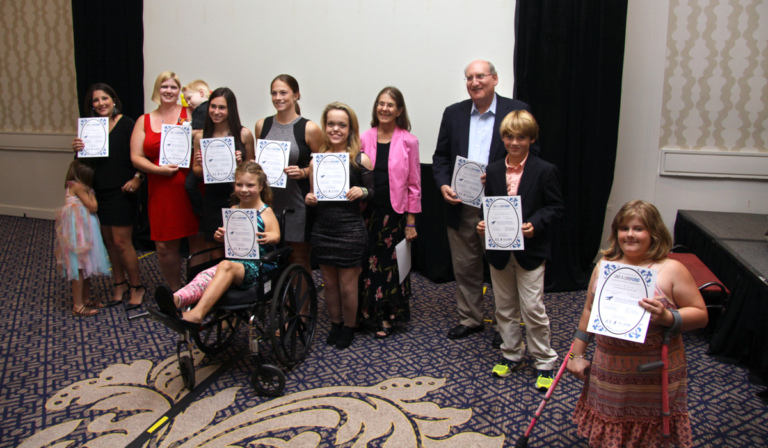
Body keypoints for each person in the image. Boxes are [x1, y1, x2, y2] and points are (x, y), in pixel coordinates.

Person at [566, 200, 708, 448]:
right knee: (611, 426)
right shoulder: (604, 266)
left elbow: (701, 314)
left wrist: (668, 317)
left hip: (654, 372)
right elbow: (589, 309)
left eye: (638, 228)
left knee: (650, 433)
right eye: (624, 228)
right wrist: (576, 355)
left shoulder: (671, 269)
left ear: (653, 233)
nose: (630, 234)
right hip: (609, 368)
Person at [432, 60, 536, 342]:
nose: (474, 82)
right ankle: (471, 318)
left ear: (495, 79)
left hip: (501, 206)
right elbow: (440, 157)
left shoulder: (516, 111)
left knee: (503, 267)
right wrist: (443, 184)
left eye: (480, 76)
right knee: (465, 265)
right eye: (469, 78)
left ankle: (507, 326)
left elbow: (530, 157)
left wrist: (501, 177)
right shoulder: (453, 113)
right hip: (460, 204)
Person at [476, 110, 563, 390]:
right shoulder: (491, 170)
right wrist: (484, 223)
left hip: (531, 251)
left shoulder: (545, 170)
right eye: (509, 136)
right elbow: (489, 205)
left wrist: (535, 225)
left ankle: (544, 361)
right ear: (502, 138)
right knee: (504, 307)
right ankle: (512, 353)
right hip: (499, 251)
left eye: (521, 137)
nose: (515, 142)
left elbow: (555, 207)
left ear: (532, 138)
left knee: (533, 308)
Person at [154, 161, 279, 326]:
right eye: (239, 184)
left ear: (261, 186)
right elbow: (230, 238)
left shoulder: (265, 212)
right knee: (206, 274)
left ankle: (198, 313)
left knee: (225, 265)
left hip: (260, 265)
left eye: (250, 185)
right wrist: (220, 236)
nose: (244, 189)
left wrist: (267, 236)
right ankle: (176, 300)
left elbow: (276, 236)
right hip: (236, 262)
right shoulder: (234, 210)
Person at [305, 102, 374, 350]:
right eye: (331, 124)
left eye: (342, 125)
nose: (336, 129)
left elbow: (374, 192)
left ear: (350, 129)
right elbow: (313, 196)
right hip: (323, 230)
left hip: (350, 230)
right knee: (329, 284)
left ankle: (349, 326)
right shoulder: (316, 162)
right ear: (325, 127)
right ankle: (335, 323)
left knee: (347, 285)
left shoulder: (360, 159)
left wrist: (363, 190)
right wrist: (309, 198)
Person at [70, 83, 145, 309]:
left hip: (122, 191)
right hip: (98, 192)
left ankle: (136, 286)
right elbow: (85, 164)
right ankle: (119, 284)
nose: (100, 103)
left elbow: (140, 155)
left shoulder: (127, 124)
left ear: (114, 101)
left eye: (105, 98)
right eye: (95, 100)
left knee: (123, 242)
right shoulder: (90, 128)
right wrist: (77, 148)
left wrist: (138, 178)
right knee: (109, 243)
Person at [130, 71, 204, 292]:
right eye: (164, 87)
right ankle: (176, 291)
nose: (169, 91)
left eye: (173, 87)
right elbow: (135, 157)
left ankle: (196, 291)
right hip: (161, 189)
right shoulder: (144, 120)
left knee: (197, 244)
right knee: (164, 246)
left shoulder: (191, 113)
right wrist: (157, 170)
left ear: (179, 91)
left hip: (191, 186)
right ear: (157, 90)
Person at [358, 87, 421, 338]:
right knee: (367, 263)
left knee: (389, 265)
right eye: (380, 104)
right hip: (366, 211)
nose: (384, 108)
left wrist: (411, 221)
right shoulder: (364, 137)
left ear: (399, 110)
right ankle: (367, 312)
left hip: (394, 214)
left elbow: (414, 184)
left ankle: (388, 314)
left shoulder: (409, 140)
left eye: (390, 105)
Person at [254, 75, 323, 278]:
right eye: (274, 93)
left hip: (296, 204)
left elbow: (322, 167)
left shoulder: (309, 128)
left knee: (299, 259)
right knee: (270, 257)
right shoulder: (262, 125)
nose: (278, 97)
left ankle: (301, 307)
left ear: (296, 95)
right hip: (267, 204)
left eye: (283, 92)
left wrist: (302, 172)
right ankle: (279, 306)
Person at [192, 87, 255, 249]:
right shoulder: (201, 137)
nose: (216, 111)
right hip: (212, 199)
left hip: (239, 198)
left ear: (231, 110)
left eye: (222, 107)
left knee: (239, 248)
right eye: (213, 106)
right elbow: (196, 171)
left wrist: (240, 164)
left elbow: (254, 171)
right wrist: (203, 164)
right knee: (215, 249)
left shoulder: (244, 134)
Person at [54, 161, 111, 317]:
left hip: (83, 229)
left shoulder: (73, 186)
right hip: (79, 232)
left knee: (84, 265)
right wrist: (92, 193)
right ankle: (78, 305)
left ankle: (85, 299)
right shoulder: (79, 187)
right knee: (79, 265)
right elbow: (93, 207)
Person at [183, 79, 211, 217]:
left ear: (201, 93)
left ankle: (200, 211)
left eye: (189, 98)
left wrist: (184, 132)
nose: (188, 103)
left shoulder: (200, 110)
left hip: (202, 158)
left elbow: (199, 132)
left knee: (190, 185)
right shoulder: (210, 109)